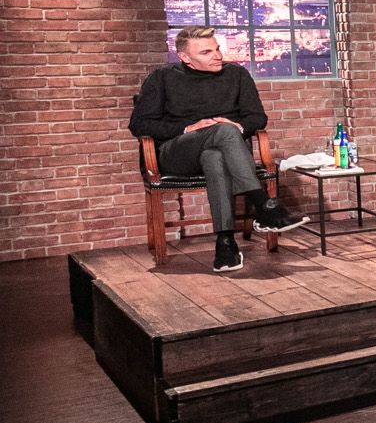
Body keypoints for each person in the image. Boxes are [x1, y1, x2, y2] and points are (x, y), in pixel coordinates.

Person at [128, 27, 307, 273]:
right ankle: (264, 205)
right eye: (206, 52)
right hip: (177, 153)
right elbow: (139, 124)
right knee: (223, 132)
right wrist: (188, 127)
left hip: (221, 152)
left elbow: (257, 118)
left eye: (217, 48)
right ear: (185, 58)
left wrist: (239, 126)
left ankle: (225, 244)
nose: (218, 56)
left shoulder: (236, 75)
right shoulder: (162, 78)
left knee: (215, 155)